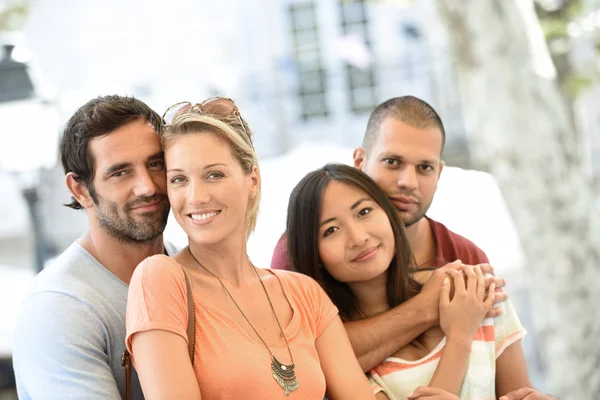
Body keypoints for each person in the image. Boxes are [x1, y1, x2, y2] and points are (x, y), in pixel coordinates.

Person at [125, 98, 376, 399]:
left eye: (214, 175)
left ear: (252, 180)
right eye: (179, 179)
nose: (196, 197)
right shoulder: (160, 279)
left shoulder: (304, 293)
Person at [271, 96, 508, 372]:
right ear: (360, 161)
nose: (408, 182)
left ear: (439, 173)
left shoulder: (464, 256)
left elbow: (501, 370)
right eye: (393, 162)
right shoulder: (300, 251)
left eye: (425, 168)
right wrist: (425, 309)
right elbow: (298, 363)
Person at [286, 163, 532, 399]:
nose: (358, 238)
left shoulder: (471, 290)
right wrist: (459, 338)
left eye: (364, 212)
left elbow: (520, 393)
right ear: (314, 254)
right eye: (331, 230)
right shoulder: (344, 360)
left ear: (389, 214)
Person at [12, 95, 175, 399]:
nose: (148, 186)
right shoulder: (61, 308)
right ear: (80, 189)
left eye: (155, 163)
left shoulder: (189, 266)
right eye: (120, 172)